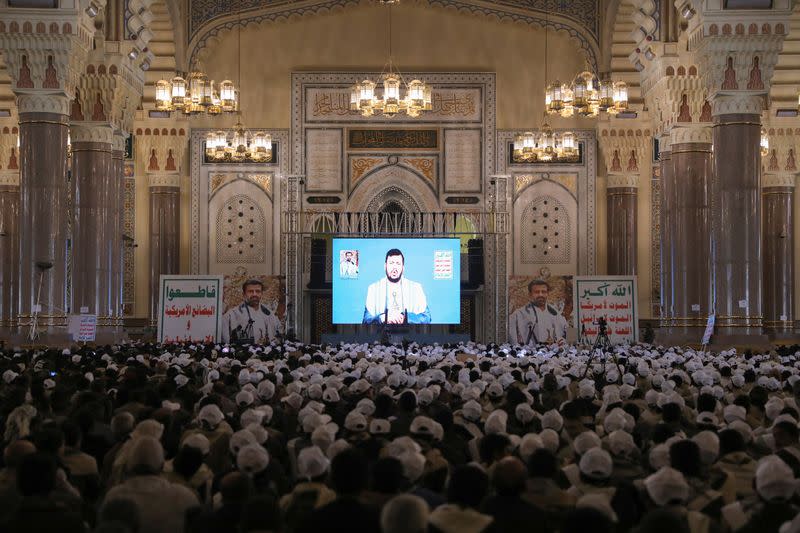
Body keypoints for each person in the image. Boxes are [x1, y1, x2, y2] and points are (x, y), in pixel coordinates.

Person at [363, 249, 430, 325]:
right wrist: (383, 317)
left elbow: (426, 318)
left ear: (403, 268)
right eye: (391, 263)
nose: (394, 267)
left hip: (409, 335)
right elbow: (366, 321)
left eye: (398, 263)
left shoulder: (416, 288)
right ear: (385, 266)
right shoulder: (373, 289)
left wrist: (405, 318)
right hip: (382, 335)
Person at [508, 279, 569, 344]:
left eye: (543, 292)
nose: (540, 295)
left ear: (547, 294)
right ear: (530, 294)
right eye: (537, 292)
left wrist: (565, 342)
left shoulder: (556, 313)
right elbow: (513, 340)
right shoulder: (519, 314)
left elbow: (570, 333)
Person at [221, 279, 281, 344]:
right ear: (243, 294)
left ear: (261, 294)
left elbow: (278, 334)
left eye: (258, 291)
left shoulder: (269, 314)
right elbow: (225, 340)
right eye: (250, 291)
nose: (254, 294)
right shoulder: (232, 314)